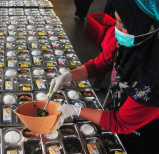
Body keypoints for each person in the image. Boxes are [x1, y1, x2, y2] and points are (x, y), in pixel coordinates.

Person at [49, 0, 159, 153]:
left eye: (124, 25)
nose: (117, 29)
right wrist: (68, 76)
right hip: (116, 113)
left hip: (141, 133)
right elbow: (99, 64)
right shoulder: (125, 40)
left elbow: (120, 123)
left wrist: (76, 110)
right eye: (116, 20)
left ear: (145, 26)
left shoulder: (153, 75)